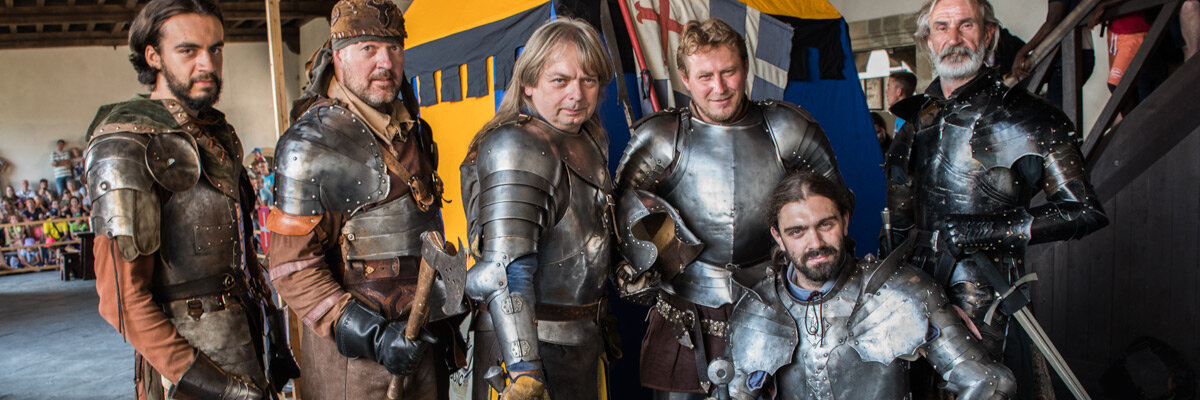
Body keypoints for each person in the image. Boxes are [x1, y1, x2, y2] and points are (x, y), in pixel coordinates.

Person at [613, 18, 849, 399]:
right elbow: (622, 211)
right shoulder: (660, 138)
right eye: (705, 76)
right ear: (685, 79)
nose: (719, 87)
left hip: (777, 300)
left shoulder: (786, 127)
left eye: (729, 72)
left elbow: (836, 206)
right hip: (684, 310)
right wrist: (641, 266)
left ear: (746, 70)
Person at [885, 0, 1109, 397]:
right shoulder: (913, 125)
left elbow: (1084, 211)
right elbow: (900, 230)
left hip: (990, 301)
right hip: (918, 302)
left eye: (966, 25)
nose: (953, 39)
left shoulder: (1030, 116)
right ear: (928, 41)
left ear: (988, 35)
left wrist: (986, 229)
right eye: (941, 27)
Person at [84, 0, 296, 397]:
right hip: (187, 372)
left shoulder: (217, 135)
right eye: (188, 50)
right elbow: (121, 301)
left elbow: (245, 260)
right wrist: (220, 387)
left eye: (215, 48)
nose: (208, 64)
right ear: (153, 56)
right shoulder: (127, 142)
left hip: (246, 346)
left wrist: (275, 342)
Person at [265, 0, 457, 398]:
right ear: (337, 57)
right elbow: (291, 269)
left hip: (423, 349)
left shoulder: (411, 130)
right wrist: (374, 337)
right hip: (354, 369)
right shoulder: (311, 144)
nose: (385, 63)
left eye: (394, 48)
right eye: (368, 49)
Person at [722, 172, 1016, 399]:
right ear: (778, 236)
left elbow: (988, 383)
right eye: (797, 232)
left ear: (845, 221)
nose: (815, 243)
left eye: (826, 225)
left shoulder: (901, 291)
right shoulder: (757, 307)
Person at [460, 17, 617, 400]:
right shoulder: (520, 145)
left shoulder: (585, 140)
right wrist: (525, 372)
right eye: (560, 80)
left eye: (589, 80)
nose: (577, 95)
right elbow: (504, 270)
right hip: (527, 352)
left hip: (578, 343)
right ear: (529, 83)